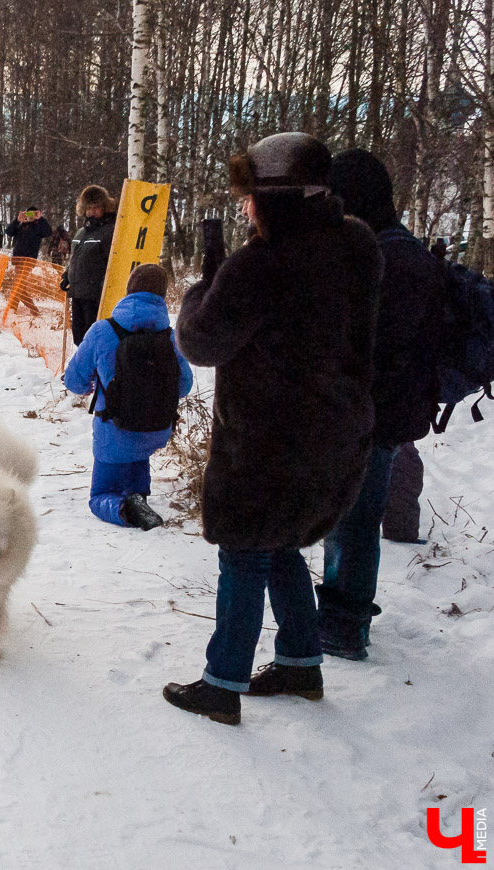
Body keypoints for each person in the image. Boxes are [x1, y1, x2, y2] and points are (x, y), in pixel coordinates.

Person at [164, 132, 382, 725]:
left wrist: (201, 288)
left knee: (243, 551)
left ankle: (221, 682)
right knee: (282, 542)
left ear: (277, 198)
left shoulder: (261, 263)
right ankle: (300, 662)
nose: (244, 207)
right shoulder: (358, 246)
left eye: (251, 196)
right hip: (334, 436)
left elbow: (201, 340)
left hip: (266, 443)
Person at [316, 149, 444, 660]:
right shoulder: (392, 250)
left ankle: (345, 624)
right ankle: (341, 613)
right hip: (377, 409)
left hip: (375, 413)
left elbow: (381, 348)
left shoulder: (394, 260)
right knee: (348, 518)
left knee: (355, 520)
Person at [63, 264, 193, 531]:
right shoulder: (170, 336)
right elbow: (184, 385)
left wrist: (92, 385)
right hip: (156, 431)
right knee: (135, 460)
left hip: (114, 434)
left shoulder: (102, 331)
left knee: (99, 497)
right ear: (163, 295)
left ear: (128, 290)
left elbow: (74, 380)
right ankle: (137, 498)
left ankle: (124, 509)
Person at [59, 186, 118, 344]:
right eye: (89, 207)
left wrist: (102, 287)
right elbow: (75, 258)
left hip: (95, 296)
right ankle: (86, 366)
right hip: (77, 292)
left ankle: (95, 368)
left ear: (105, 207)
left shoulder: (110, 231)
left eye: (97, 207)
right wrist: (67, 275)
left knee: (93, 339)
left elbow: (112, 264)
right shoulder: (81, 233)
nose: (92, 211)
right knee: (79, 338)